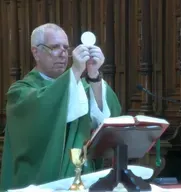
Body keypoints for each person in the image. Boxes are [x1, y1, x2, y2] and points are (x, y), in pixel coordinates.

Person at [0, 23, 121, 190]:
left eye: (66, 48)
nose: (63, 54)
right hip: (41, 181)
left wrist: (93, 74)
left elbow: (105, 119)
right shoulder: (20, 91)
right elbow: (44, 110)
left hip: (83, 178)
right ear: (36, 52)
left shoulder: (80, 87)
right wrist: (76, 71)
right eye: (55, 47)